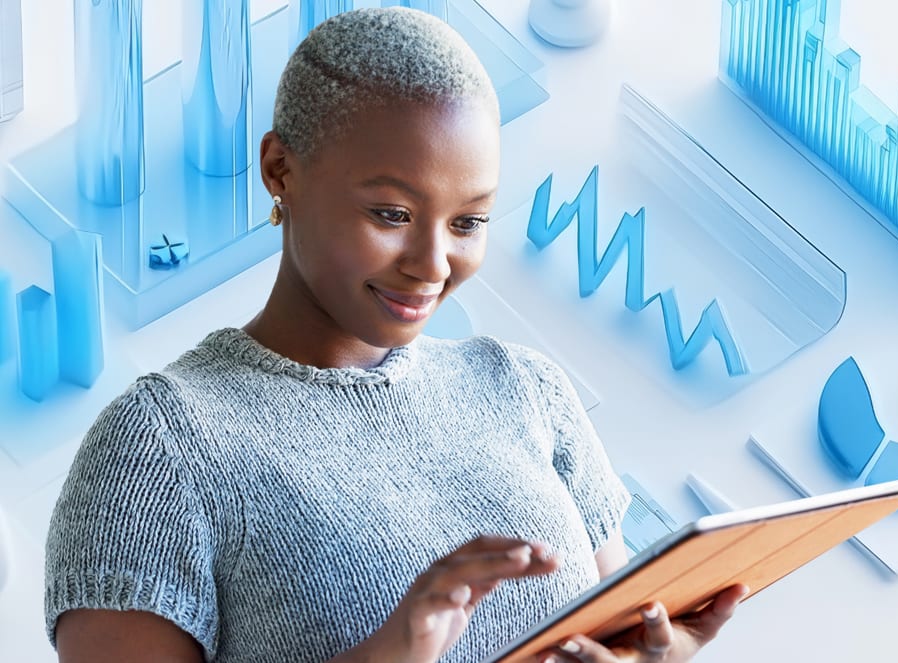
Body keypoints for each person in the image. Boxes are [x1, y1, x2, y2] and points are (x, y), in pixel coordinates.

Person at [44, 7, 746, 663]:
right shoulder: (160, 448)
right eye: (391, 213)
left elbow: (607, 628)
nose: (433, 265)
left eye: (468, 222)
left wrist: (642, 652)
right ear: (279, 170)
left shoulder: (524, 388)